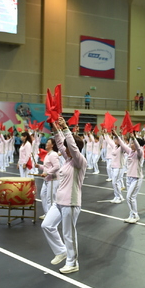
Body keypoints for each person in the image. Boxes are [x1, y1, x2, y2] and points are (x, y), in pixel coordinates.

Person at [41, 117, 87, 275]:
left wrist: (66, 128)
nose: (64, 149)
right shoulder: (68, 160)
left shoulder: (80, 161)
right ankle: (61, 251)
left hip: (71, 203)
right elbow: (61, 143)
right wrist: (55, 128)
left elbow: (71, 147)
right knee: (47, 225)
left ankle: (72, 262)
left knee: (69, 234)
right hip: (59, 202)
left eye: (68, 147)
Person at [117, 132, 144, 223]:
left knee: (130, 197)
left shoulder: (140, 153)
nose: (131, 144)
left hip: (136, 177)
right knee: (130, 198)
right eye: (131, 143)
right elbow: (122, 144)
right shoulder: (130, 151)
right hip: (129, 177)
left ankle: (136, 216)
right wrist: (116, 135)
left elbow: (138, 148)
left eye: (133, 143)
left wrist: (134, 138)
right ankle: (132, 215)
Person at [36, 138, 60, 220]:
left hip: (52, 179)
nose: (46, 143)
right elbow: (47, 167)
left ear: (52, 145)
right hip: (47, 179)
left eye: (48, 142)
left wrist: (47, 173)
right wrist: (39, 166)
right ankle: (47, 214)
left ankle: (51, 218)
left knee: (51, 199)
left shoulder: (53, 154)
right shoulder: (48, 154)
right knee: (43, 195)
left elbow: (57, 166)